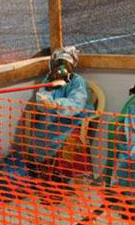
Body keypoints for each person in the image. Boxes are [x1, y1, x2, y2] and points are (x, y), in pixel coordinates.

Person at [31, 46, 93, 180]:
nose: (62, 68)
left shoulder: (77, 82)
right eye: (60, 64)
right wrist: (45, 102)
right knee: (40, 135)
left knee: (65, 142)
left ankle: (62, 177)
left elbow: (77, 103)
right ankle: (45, 171)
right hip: (54, 119)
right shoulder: (49, 80)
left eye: (67, 65)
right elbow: (42, 97)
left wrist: (57, 104)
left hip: (75, 120)